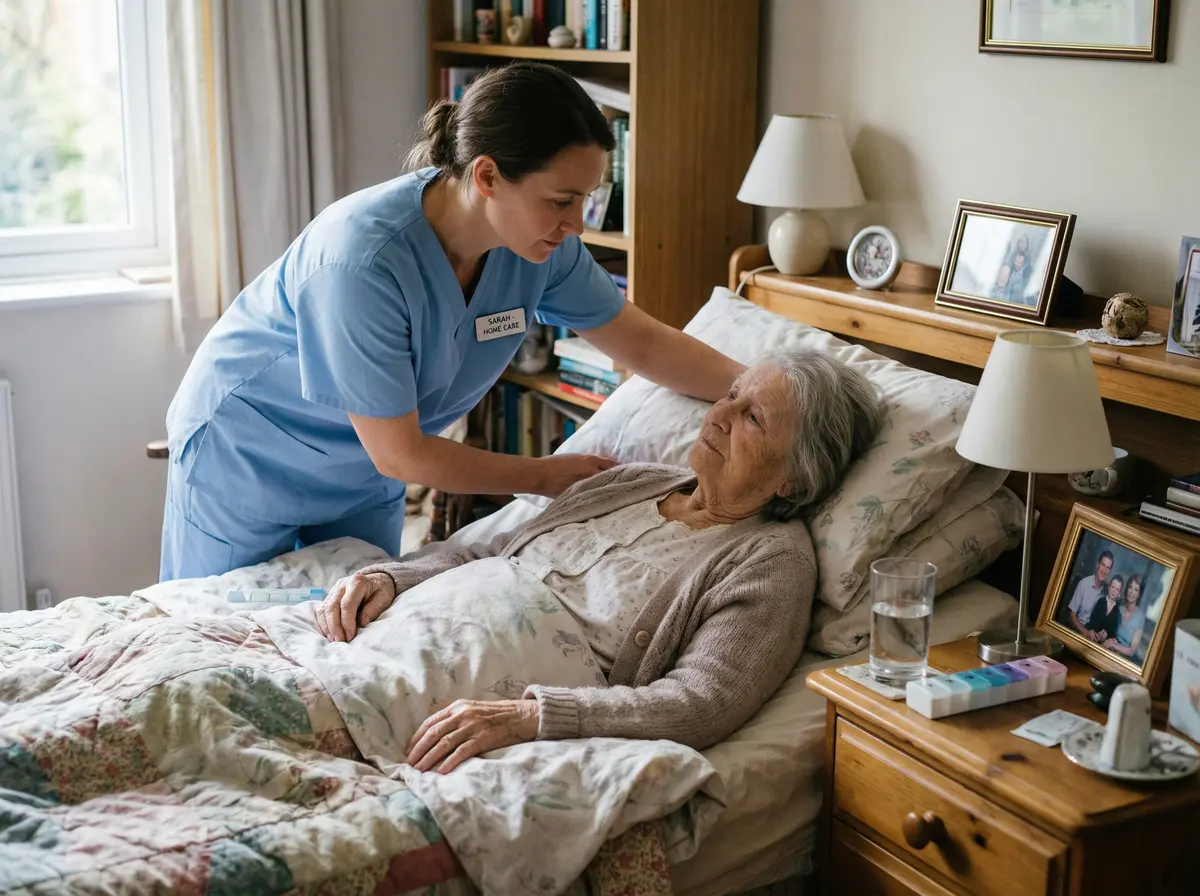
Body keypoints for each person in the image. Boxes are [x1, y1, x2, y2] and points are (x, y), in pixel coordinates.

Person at [159, 62, 745, 582]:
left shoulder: (541, 246)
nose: (577, 225)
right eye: (562, 200)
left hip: (363, 472)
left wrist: (766, 388)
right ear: (487, 176)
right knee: (214, 642)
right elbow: (403, 454)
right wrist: (544, 475)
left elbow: (642, 341)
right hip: (248, 456)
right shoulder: (361, 261)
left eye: (585, 200)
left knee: (347, 640)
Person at [316, 351, 882, 772]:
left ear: (796, 477)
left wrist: (532, 717)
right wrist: (392, 577)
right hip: (394, 642)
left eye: (753, 417)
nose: (718, 414)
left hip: (462, 702)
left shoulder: (770, 562)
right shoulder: (635, 482)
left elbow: (701, 702)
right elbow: (495, 550)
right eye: (730, 393)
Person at [1066, 550, 1112, 639]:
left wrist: (1103, 633)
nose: (1104, 570)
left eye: (1108, 567)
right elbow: (1072, 614)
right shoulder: (1083, 584)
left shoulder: (1107, 592)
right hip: (1079, 632)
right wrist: (1086, 632)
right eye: (1103, 565)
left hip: (1095, 636)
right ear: (1097, 565)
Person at [1102, 573, 1147, 662]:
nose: (1131, 592)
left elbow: (1131, 651)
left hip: (1122, 658)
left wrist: (1114, 646)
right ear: (1127, 588)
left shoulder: (1140, 617)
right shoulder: (1118, 607)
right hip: (1108, 649)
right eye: (1130, 587)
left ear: (1139, 594)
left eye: (1136, 589)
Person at [1086, 573, 1124, 644]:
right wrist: (1097, 632)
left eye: (1117, 589)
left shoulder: (1117, 611)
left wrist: (1107, 635)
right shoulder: (1100, 601)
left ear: (1119, 593)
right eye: (1113, 587)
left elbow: (1113, 631)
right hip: (1092, 637)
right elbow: (1092, 621)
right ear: (1109, 587)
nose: (1114, 590)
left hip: (1104, 643)